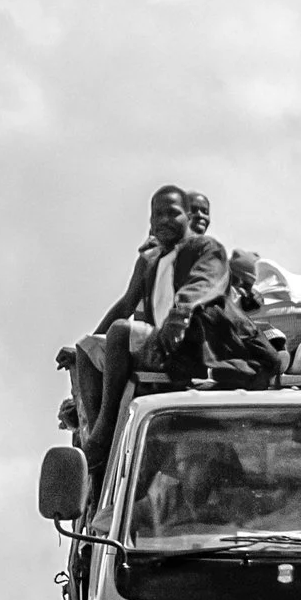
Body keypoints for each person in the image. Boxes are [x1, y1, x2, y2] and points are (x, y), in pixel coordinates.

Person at [61, 186, 231, 474]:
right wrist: (88, 341)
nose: (164, 220)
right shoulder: (152, 261)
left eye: (173, 213)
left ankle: (104, 434)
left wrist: (178, 321)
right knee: (86, 349)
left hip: (191, 346)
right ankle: (98, 436)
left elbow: (198, 290)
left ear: (187, 217)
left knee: (120, 332)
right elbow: (127, 302)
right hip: (159, 343)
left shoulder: (207, 251)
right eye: (158, 215)